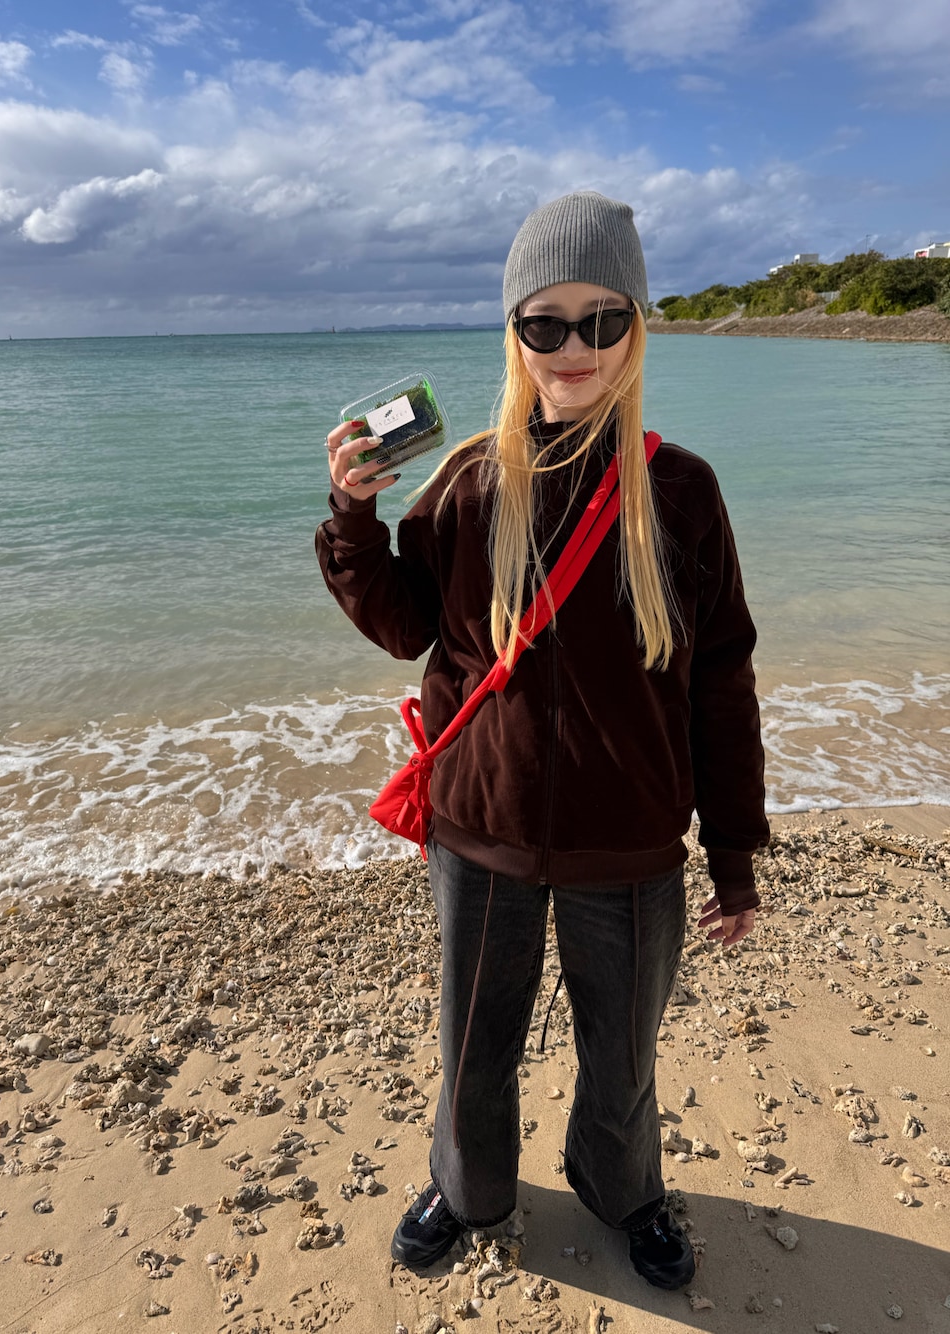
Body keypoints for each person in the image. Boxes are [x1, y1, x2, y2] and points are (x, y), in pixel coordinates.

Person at [315, 191, 768, 1290]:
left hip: (633, 840)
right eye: (546, 322)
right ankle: (465, 1187)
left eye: (602, 318)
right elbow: (406, 625)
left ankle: (624, 1188)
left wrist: (734, 852)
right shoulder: (471, 478)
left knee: (622, 1052)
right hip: (483, 828)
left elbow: (722, 682)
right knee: (474, 1041)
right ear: (513, 332)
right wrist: (352, 517)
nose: (575, 347)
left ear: (637, 325)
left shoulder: (681, 489)